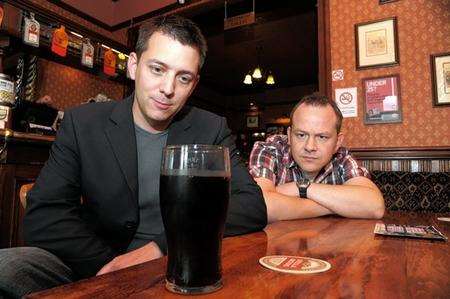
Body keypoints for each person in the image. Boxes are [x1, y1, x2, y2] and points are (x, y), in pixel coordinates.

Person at [0, 15, 267, 298]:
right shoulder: (83, 123)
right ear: (133, 65)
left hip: (175, 265)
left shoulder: (211, 128)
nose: (168, 88)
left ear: (194, 84)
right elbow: (44, 216)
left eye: (183, 77)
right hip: (92, 263)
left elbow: (251, 206)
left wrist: (160, 248)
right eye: (157, 69)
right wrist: (113, 266)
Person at [248, 94, 384, 223]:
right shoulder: (270, 149)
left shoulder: (341, 158)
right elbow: (260, 206)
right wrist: (335, 207)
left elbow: (374, 206)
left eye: (322, 137)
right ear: (289, 135)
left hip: (329, 245)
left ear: (337, 142)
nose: (310, 146)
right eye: (301, 135)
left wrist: (301, 189)